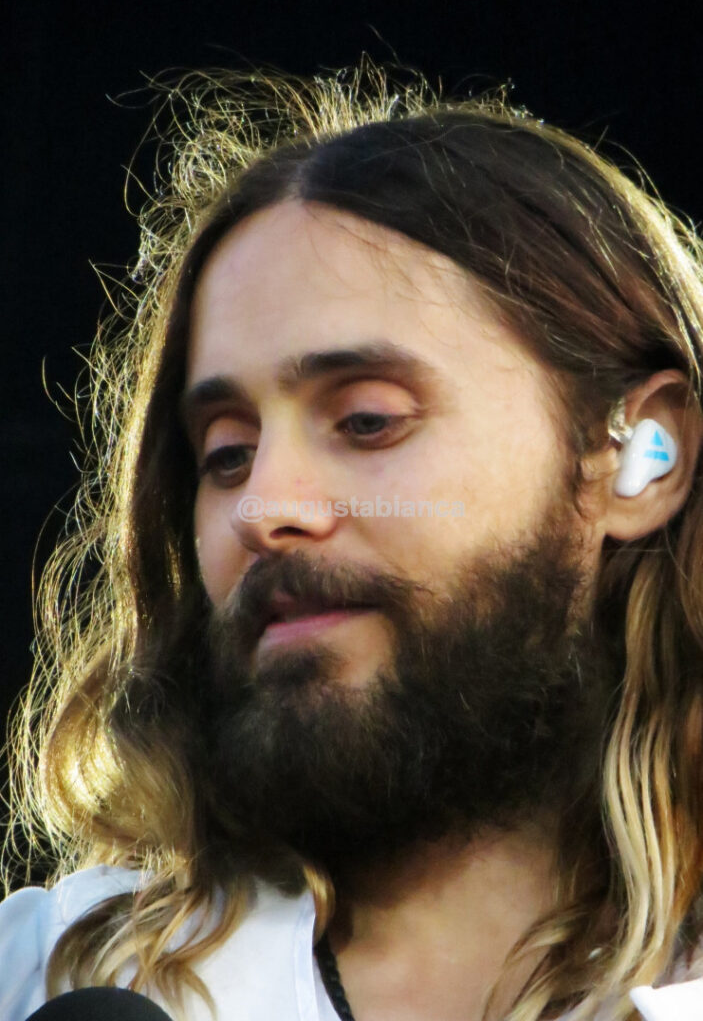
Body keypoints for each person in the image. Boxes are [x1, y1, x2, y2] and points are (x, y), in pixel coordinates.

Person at [2, 60, 703, 1021]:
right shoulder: (49, 977)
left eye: (367, 421)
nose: (263, 508)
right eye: (226, 454)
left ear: (639, 457)